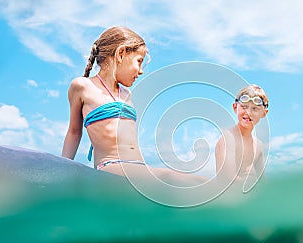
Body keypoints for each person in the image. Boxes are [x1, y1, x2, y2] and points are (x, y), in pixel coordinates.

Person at [62, 26, 204, 186]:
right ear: (121, 54)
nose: (141, 71)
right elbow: (74, 132)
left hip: (138, 167)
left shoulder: (126, 94)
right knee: (170, 178)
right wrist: (61, 170)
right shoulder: (82, 86)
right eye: (139, 61)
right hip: (110, 166)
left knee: (195, 181)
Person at [215, 84, 268, 183]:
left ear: (264, 113)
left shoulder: (259, 146)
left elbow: (263, 182)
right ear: (235, 108)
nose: (248, 112)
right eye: (244, 107)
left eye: (255, 108)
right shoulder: (229, 139)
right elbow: (226, 181)